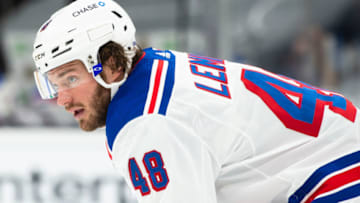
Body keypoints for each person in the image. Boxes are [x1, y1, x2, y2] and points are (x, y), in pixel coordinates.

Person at [32, 0, 360, 202]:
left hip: (335, 176)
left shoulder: (145, 122)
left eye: (71, 78)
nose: (61, 98)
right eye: (53, 83)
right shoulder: (152, 68)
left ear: (113, 64)